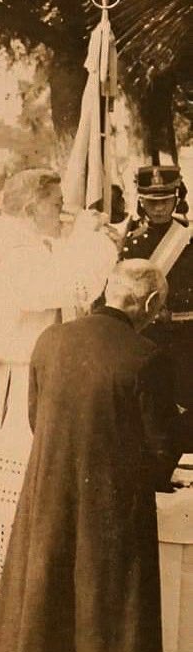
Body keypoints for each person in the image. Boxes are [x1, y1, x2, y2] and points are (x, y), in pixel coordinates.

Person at [0, 260, 180, 652]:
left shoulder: (52, 341)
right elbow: (160, 444)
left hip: (49, 492)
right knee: (111, 609)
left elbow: (35, 417)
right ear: (152, 305)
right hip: (112, 503)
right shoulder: (147, 357)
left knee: (52, 598)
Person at [0, 168, 117, 652]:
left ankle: (16, 636)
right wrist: (95, 244)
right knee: (17, 513)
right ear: (29, 206)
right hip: (17, 391)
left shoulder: (13, 238)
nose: (60, 211)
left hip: (22, 383)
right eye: (54, 202)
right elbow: (55, 289)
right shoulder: (14, 248)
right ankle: (8, 640)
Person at [123, 165, 192, 448]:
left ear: (178, 197)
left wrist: (173, 312)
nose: (160, 207)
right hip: (145, 339)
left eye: (165, 199)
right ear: (141, 201)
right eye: (152, 200)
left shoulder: (188, 240)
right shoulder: (129, 243)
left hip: (186, 338)